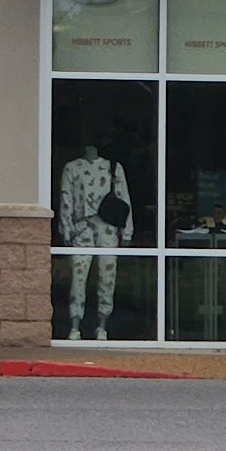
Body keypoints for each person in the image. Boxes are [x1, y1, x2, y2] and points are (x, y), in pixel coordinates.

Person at [57, 143, 132, 338]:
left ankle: (102, 325)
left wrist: (127, 231)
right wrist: (67, 228)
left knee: (107, 277)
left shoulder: (113, 168)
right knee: (78, 277)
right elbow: (66, 199)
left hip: (107, 228)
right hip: (82, 228)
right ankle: (75, 325)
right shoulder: (72, 168)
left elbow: (124, 198)